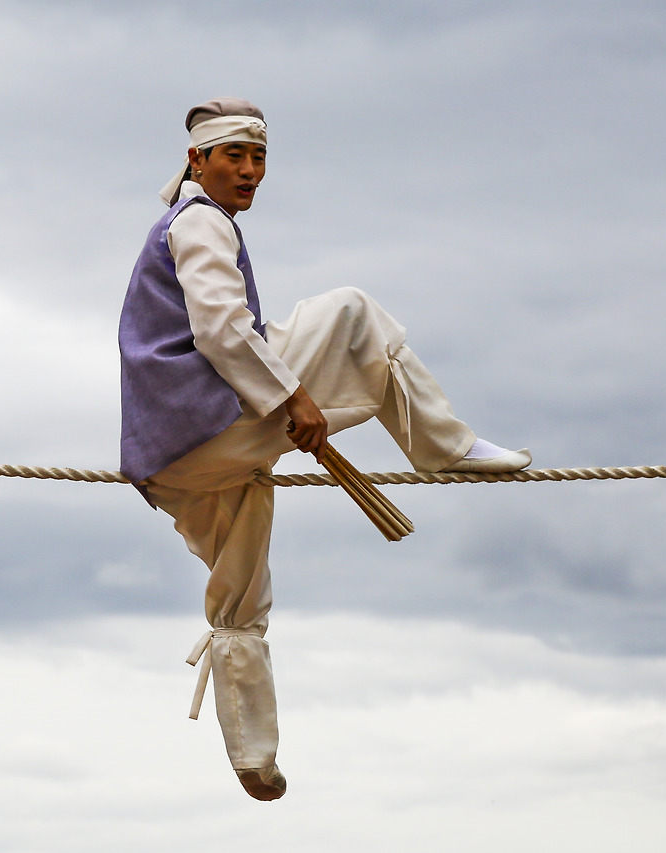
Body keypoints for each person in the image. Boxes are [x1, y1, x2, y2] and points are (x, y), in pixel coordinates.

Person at [118, 97, 530, 801]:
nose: (249, 170)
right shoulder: (201, 223)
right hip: (204, 424)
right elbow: (221, 330)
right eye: (234, 156)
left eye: (259, 157)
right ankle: (442, 445)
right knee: (352, 312)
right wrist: (291, 399)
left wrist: (286, 397)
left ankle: (253, 755)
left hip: (172, 460)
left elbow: (226, 333)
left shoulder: (188, 224)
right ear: (197, 161)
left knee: (241, 596)